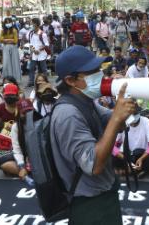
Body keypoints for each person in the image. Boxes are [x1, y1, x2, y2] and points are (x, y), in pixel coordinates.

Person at [51, 45, 135, 224]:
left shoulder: (86, 101)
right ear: (70, 80)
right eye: (93, 72)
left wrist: (127, 100)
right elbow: (94, 165)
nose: (100, 75)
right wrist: (116, 118)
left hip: (103, 193)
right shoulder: (68, 114)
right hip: (89, 203)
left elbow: (117, 124)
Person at [112, 108, 149, 175]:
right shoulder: (122, 122)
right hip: (126, 155)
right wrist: (124, 158)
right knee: (109, 155)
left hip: (141, 155)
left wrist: (141, 159)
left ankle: (128, 170)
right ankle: (136, 170)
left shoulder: (145, 121)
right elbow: (113, 146)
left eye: (135, 114)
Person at [0, 99, 34, 178]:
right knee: (1, 161)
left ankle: (30, 171)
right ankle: (27, 171)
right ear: (19, 113)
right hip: (24, 155)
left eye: (29, 111)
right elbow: (17, 150)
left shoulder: (40, 122)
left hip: (37, 156)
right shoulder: (16, 127)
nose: (27, 115)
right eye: (24, 113)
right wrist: (22, 166)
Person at [26, 18, 49, 88]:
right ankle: (31, 82)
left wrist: (39, 50)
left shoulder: (43, 34)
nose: (31, 24)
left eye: (32, 23)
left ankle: (45, 81)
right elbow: (31, 44)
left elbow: (46, 44)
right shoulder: (31, 33)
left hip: (41, 55)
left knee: (43, 69)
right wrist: (33, 51)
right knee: (31, 68)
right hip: (34, 55)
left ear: (36, 24)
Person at [0, 17, 20, 84]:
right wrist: (10, 40)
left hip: (13, 49)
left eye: (9, 22)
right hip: (5, 49)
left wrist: (5, 40)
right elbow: (0, 40)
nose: (8, 24)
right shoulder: (2, 31)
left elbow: (16, 41)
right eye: (6, 22)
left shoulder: (14, 30)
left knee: (14, 63)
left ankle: (15, 80)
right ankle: (5, 80)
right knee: (6, 64)